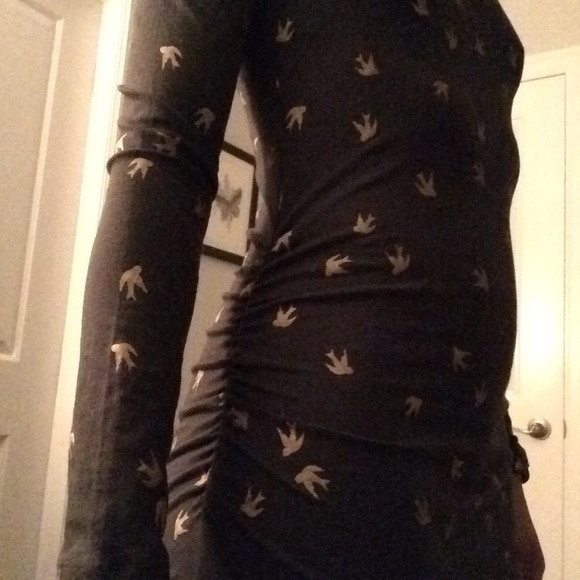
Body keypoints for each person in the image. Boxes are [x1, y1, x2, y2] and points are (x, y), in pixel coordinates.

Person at [58, 0, 545, 578]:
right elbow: (159, 164)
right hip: (281, 480)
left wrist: (508, 473)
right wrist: (106, 553)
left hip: (470, 504)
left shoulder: (490, 25)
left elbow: (464, 255)